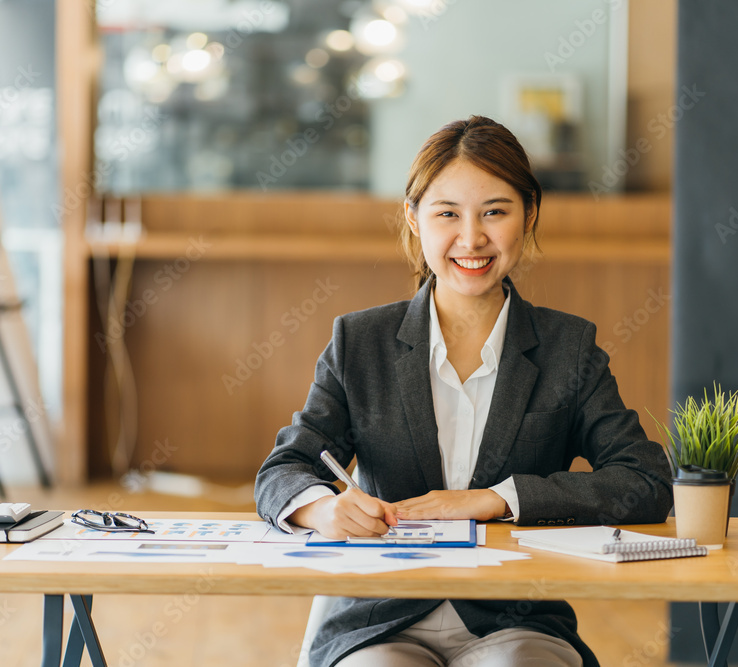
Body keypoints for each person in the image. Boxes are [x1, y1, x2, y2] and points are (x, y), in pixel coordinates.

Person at [254, 115, 673, 667]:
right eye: (447, 213)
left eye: (494, 212)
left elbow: (644, 481)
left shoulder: (568, 348)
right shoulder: (360, 341)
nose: (471, 239)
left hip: (516, 622)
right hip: (380, 621)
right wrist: (321, 509)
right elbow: (283, 470)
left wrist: (499, 499)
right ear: (414, 218)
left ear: (529, 215)